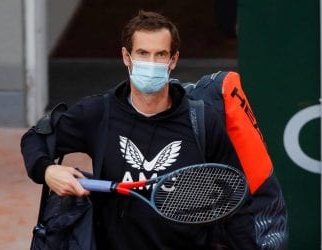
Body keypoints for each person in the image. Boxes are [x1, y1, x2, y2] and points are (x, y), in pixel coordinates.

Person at [21, 10, 287, 250]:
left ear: (173, 60)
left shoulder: (203, 121)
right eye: (142, 53)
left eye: (160, 55)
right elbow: (35, 139)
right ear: (127, 57)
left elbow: (234, 205)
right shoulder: (98, 113)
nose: (152, 62)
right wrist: (48, 170)